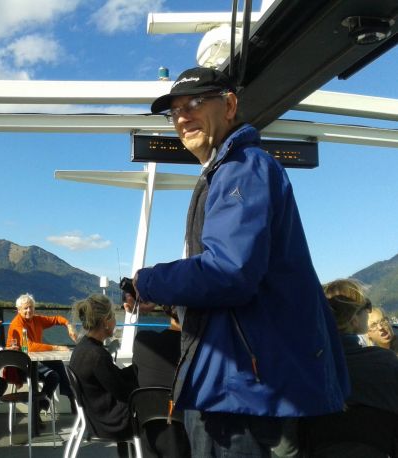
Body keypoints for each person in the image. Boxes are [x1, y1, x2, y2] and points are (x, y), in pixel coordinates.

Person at [131, 66, 350, 457]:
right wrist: (166, 299)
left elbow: (228, 272)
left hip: (241, 388)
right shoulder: (230, 169)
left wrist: (146, 281)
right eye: (174, 111)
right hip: (240, 381)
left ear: (229, 105)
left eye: (195, 103)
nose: (182, 117)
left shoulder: (242, 169)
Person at [300, 279, 398, 456]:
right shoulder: (384, 362)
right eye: (366, 306)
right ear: (354, 320)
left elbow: (289, 439)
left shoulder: (307, 369)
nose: (369, 311)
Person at [69, 294, 137, 458]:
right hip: (108, 422)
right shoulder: (97, 355)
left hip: (93, 415)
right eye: (113, 316)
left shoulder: (82, 347)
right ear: (106, 321)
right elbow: (122, 392)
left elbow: (113, 378)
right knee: (152, 410)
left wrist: (136, 368)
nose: (115, 321)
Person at [132, 306, 190, 458]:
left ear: (167, 311)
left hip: (148, 435)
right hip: (185, 437)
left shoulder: (142, 341)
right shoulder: (194, 350)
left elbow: (135, 374)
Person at [6, 293, 77, 412]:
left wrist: (68, 325)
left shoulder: (36, 319)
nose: (29, 310)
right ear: (18, 310)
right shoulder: (17, 323)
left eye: (31, 307)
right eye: (25, 308)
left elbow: (56, 319)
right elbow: (29, 347)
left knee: (58, 366)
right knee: (54, 375)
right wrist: (56, 347)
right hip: (20, 366)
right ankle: (39, 409)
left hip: (33, 361)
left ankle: (69, 397)